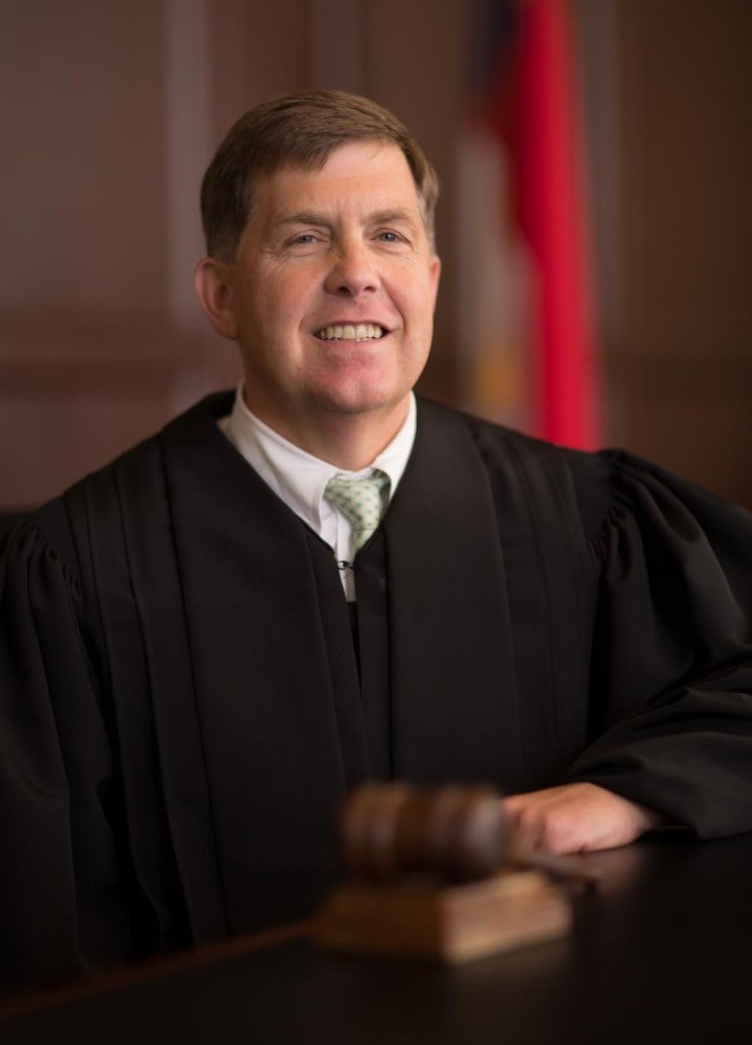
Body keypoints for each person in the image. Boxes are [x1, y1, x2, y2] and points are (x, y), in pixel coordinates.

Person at [1, 90, 751, 992]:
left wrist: (632, 793)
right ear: (222, 295)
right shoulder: (78, 573)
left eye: (390, 235)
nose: (357, 273)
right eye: (305, 237)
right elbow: (47, 941)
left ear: (430, 280)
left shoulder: (589, 521)